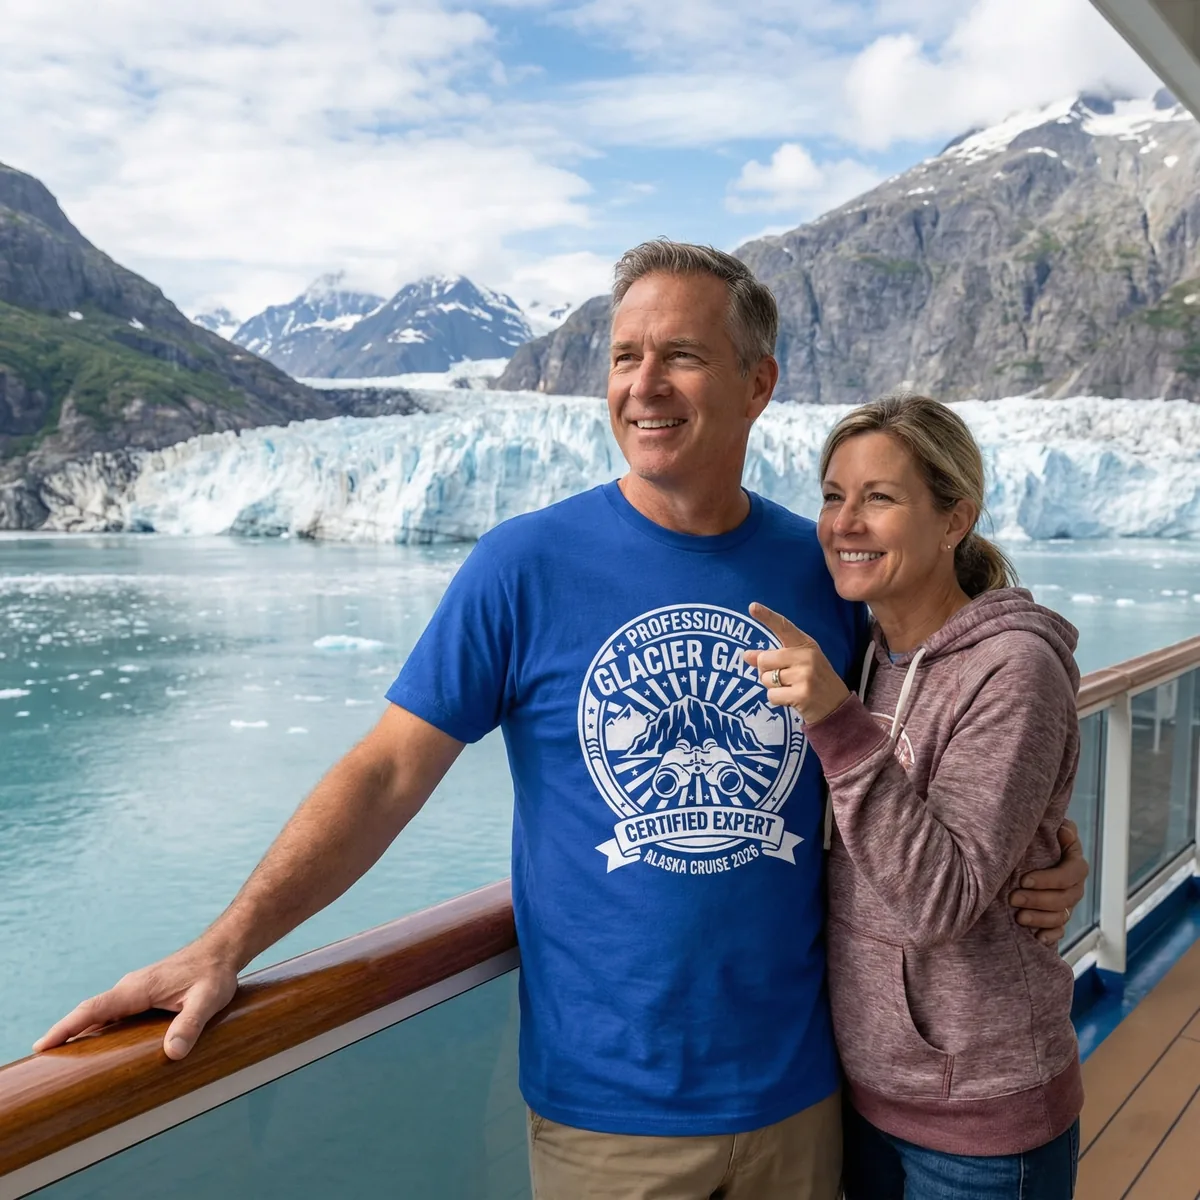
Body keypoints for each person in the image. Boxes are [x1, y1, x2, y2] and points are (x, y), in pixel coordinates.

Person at [35, 244, 1087, 1200]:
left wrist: (1039, 850)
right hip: (608, 1116)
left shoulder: (824, 571)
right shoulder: (523, 566)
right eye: (626, 356)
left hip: (804, 1098)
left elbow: (928, 726)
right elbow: (388, 772)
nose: (644, 383)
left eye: (681, 355)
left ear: (758, 384)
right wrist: (227, 943)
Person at [746, 394, 1083, 1199]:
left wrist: (837, 721)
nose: (845, 522)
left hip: (981, 1122)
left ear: (953, 519)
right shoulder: (867, 657)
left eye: (880, 497)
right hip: (864, 1096)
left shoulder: (1012, 669)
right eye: (834, 495)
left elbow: (942, 899)